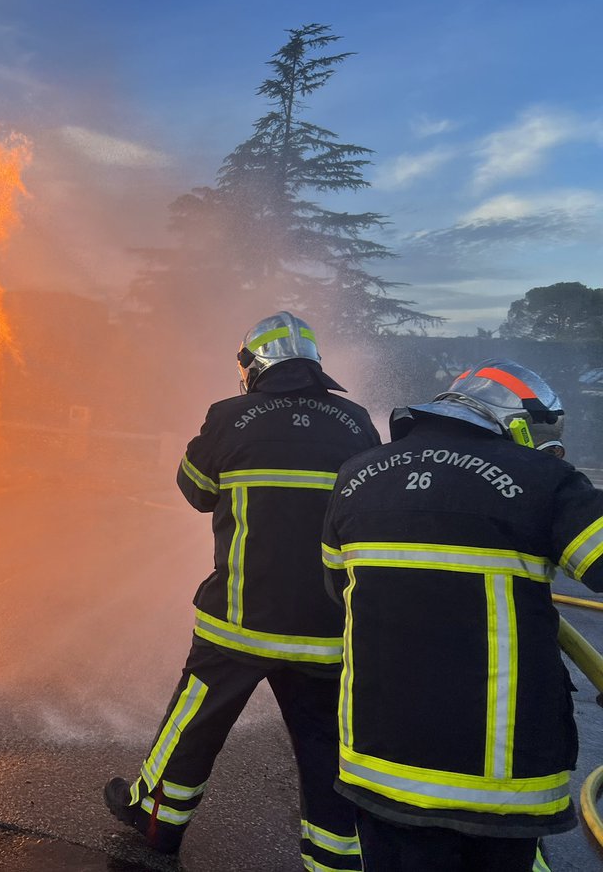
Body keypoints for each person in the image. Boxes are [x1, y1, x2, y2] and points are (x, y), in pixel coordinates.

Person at [105, 311, 380, 866]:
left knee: (195, 725)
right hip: (327, 628)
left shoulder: (231, 416)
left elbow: (196, 489)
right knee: (328, 745)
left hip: (239, 620)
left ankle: (157, 822)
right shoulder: (355, 422)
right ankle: (335, 858)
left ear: (253, 366)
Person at [321, 359, 603, 871]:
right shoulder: (545, 480)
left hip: (380, 763)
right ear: (520, 425)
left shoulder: (355, 476)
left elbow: (338, 588)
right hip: (499, 778)